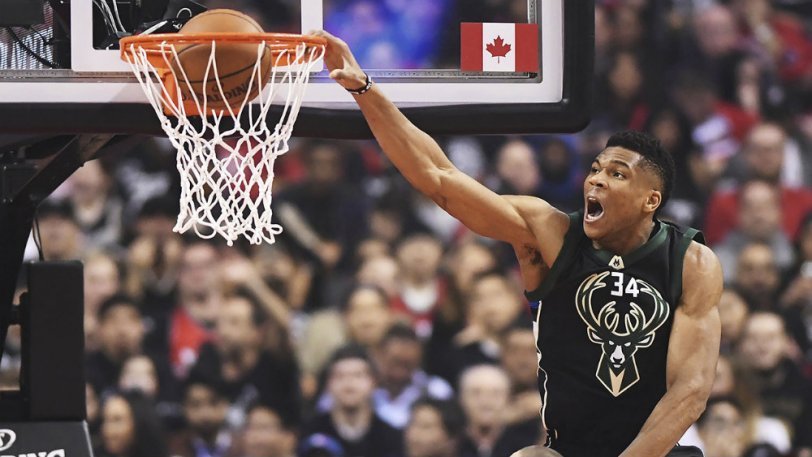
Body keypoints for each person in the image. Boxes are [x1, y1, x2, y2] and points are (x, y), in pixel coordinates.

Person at [313, 30, 723, 457]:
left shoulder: (690, 262)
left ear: (650, 201)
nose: (597, 179)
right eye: (596, 169)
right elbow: (439, 177)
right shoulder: (548, 232)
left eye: (617, 174)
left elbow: (691, 391)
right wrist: (365, 89)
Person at [302, 345, 402, 457]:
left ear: (373, 382)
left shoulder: (391, 438)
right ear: (328, 384)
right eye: (340, 376)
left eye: (357, 375)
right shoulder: (310, 433)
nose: (349, 384)